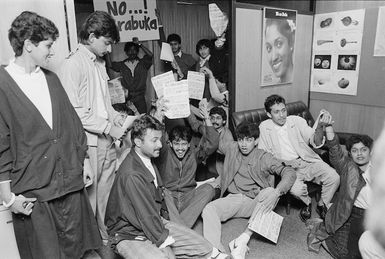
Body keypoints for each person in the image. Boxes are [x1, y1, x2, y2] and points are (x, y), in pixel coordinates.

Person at [0, 11, 101, 258]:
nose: (50, 52)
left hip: (70, 187)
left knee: (80, 252)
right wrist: (7, 197)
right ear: (28, 45)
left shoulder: (52, 79)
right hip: (34, 194)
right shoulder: (3, 84)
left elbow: (72, 124)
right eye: (47, 45)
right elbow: (1, 142)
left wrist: (84, 159)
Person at [105, 115, 228, 259]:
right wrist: (165, 243)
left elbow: (152, 214)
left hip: (156, 220)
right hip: (129, 233)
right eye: (154, 140)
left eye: (159, 139)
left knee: (207, 248)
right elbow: (146, 216)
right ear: (138, 142)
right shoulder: (133, 174)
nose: (160, 145)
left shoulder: (147, 159)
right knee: (163, 256)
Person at [59, 11, 126, 246]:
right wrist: (108, 126)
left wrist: (117, 118)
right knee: (89, 199)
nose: (109, 49)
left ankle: (107, 240)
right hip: (89, 143)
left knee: (106, 197)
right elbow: (73, 112)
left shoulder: (98, 63)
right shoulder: (72, 64)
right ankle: (90, 246)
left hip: (106, 139)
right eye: (106, 43)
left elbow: (103, 102)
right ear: (91, 36)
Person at [202, 122, 297, 259]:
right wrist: (206, 119)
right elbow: (214, 141)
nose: (244, 144)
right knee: (209, 209)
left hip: (254, 203)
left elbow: (290, 172)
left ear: (256, 141)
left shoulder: (264, 157)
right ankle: (215, 252)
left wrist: (277, 192)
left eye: (249, 140)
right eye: (241, 140)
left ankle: (242, 239)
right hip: (233, 198)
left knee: (270, 192)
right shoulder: (232, 148)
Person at [258, 95, 340, 222]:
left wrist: (320, 127)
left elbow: (314, 141)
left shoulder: (296, 121)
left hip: (306, 160)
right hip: (286, 168)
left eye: (283, 110)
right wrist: (287, 162)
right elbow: (264, 156)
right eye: (276, 112)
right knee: (297, 190)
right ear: (269, 114)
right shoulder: (264, 127)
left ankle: (322, 204)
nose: (282, 115)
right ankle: (307, 203)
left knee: (334, 177)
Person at [306, 115, 374, 258]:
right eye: (355, 151)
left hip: (374, 216)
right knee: (344, 254)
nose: (359, 154)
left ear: (370, 152)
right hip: (349, 214)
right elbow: (335, 150)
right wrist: (329, 126)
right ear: (350, 153)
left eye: (363, 150)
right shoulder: (348, 167)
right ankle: (320, 227)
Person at [154, 105, 220, 228]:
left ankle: (178, 228)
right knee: (162, 191)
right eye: (176, 144)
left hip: (188, 196)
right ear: (170, 143)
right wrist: (159, 116)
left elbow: (213, 143)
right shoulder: (164, 153)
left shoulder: (194, 153)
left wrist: (206, 118)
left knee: (209, 189)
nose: (180, 148)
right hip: (169, 198)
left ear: (189, 144)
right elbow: (159, 138)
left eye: (184, 144)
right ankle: (183, 230)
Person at [106, 37, 153, 113]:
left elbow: (150, 55)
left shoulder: (143, 63)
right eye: (129, 50)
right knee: (129, 119)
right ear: (126, 52)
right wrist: (107, 51)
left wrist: (139, 44)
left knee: (143, 118)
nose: (132, 52)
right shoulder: (122, 65)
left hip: (140, 97)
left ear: (137, 51)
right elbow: (110, 65)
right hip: (127, 99)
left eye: (134, 50)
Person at [264, 19, 295, 83]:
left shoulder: (302, 81)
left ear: (291, 42)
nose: (273, 57)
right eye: (269, 48)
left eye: (279, 44)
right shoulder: (276, 87)